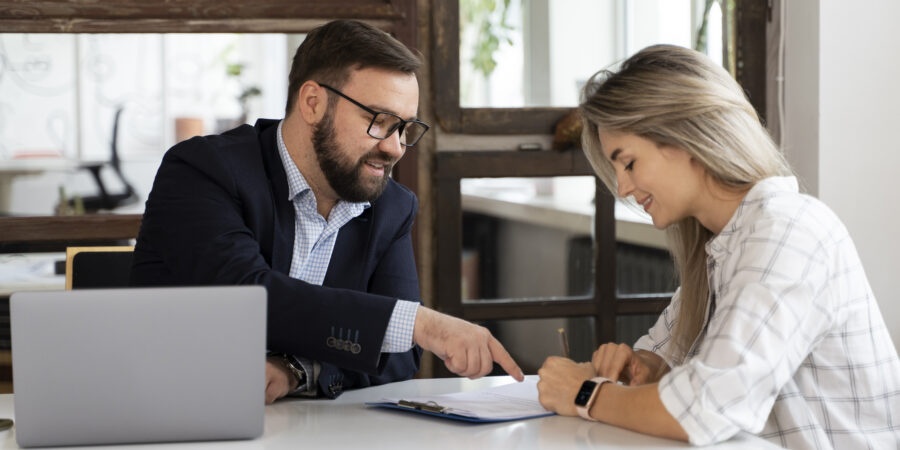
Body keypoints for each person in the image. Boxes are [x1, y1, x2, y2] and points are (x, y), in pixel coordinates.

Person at [131, 19, 523, 403]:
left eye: (404, 128)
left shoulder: (391, 206)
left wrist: (298, 371)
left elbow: (402, 355)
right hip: (171, 410)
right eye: (379, 121)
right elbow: (245, 296)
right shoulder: (203, 170)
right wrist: (419, 322)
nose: (395, 147)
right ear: (313, 102)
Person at [536, 44, 900, 449]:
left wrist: (587, 396)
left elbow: (707, 407)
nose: (621, 188)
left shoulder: (787, 233)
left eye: (629, 163)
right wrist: (644, 368)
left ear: (683, 138)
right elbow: (662, 359)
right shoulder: (719, 249)